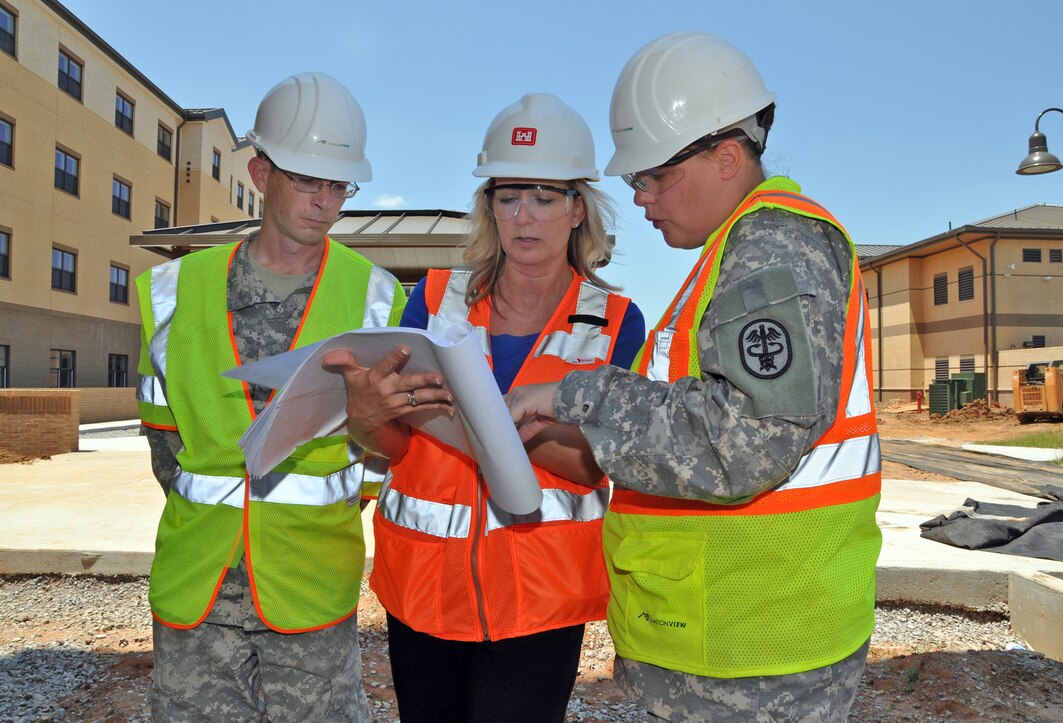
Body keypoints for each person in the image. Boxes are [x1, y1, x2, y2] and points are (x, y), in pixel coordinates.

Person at [506, 31, 881, 721]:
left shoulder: (774, 244)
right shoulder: (739, 251)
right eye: (634, 180)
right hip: (734, 640)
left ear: (727, 155)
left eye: (655, 176)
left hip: (755, 653)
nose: (642, 196)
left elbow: (742, 439)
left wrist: (575, 391)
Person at [322, 92, 645, 723]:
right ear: (489, 206)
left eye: (545, 197)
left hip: (539, 598)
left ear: (578, 209)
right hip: (423, 588)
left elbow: (591, 465)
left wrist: (476, 423)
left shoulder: (615, 323)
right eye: (507, 196)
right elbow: (398, 444)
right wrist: (366, 421)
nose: (525, 216)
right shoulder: (433, 301)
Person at [135, 72, 405, 722]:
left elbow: (384, 454)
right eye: (308, 180)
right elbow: (164, 444)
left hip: (311, 583)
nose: (325, 201)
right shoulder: (173, 291)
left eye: (338, 185)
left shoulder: (378, 299)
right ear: (260, 173)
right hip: (199, 580)